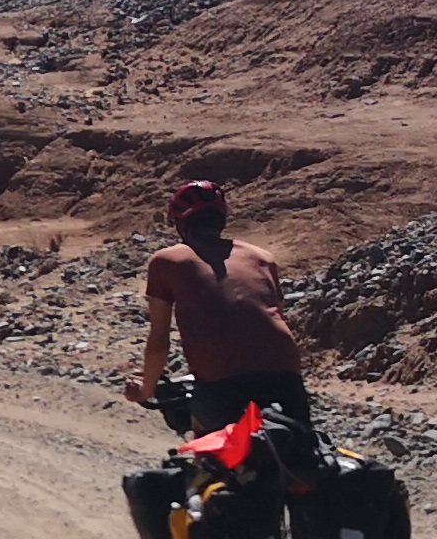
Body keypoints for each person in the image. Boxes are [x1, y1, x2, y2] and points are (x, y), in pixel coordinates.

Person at [122, 177, 315, 459]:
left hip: (220, 378)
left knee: (213, 458)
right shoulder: (262, 257)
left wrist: (145, 389)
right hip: (284, 373)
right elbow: (272, 321)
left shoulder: (167, 260)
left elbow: (159, 340)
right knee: (302, 456)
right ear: (222, 219)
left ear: (180, 224)